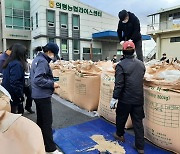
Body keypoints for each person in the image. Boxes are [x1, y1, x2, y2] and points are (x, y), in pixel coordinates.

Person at [110, 41, 146, 154]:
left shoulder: (120, 65)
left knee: (121, 118)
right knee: (138, 123)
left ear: (123, 51)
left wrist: (114, 98)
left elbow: (119, 84)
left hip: (125, 99)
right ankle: (140, 147)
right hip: (138, 99)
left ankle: (119, 135)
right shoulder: (141, 64)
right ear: (134, 50)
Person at [30, 42, 62, 154]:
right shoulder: (43, 61)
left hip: (37, 94)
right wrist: (52, 84)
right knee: (47, 122)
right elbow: (38, 79)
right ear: (49, 52)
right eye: (54, 54)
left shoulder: (37, 59)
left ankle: (39, 141)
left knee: (41, 120)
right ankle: (50, 148)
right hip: (42, 96)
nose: (53, 57)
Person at [1, 44, 27, 114]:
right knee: (13, 113)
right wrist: (20, 95)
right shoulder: (17, 64)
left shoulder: (9, 61)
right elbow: (15, 82)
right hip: (13, 94)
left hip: (7, 92)